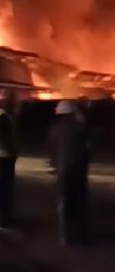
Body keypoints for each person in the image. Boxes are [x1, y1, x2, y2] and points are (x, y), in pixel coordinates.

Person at [48, 100, 91, 246]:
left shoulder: (54, 129)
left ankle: (65, 236)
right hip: (79, 170)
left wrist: (54, 165)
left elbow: (52, 150)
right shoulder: (80, 126)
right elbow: (87, 148)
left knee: (64, 202)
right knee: (80, 202)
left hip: (63, 170)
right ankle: (81, 235)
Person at [0, 89, 19, 231]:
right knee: (4, 190)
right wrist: (12, 151)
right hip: (3, 157)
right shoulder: (4, 116)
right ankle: (3, 222)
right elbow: (3, 137)